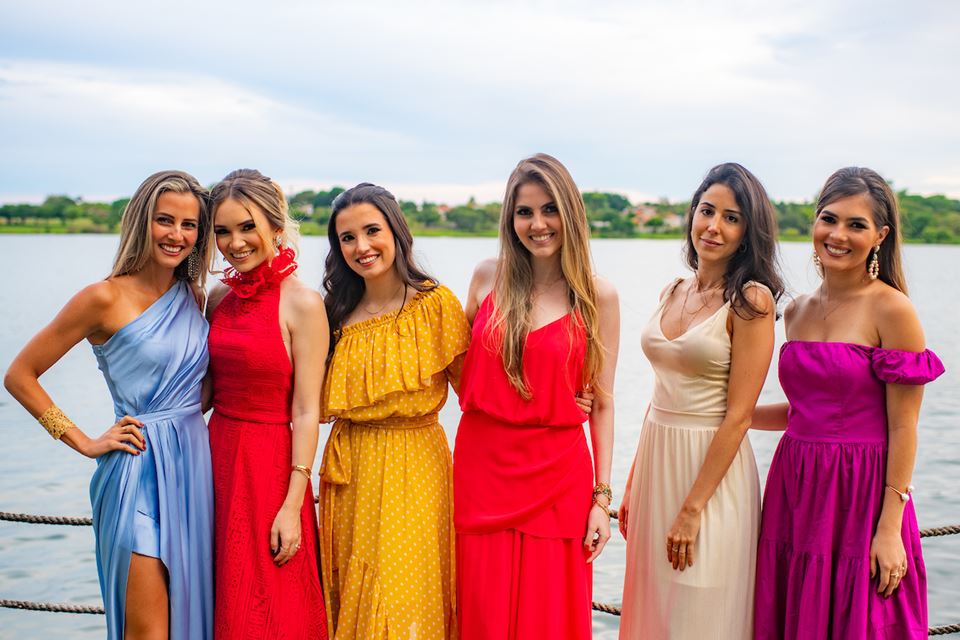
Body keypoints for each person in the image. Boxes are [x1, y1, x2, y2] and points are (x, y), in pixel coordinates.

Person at [4, 170, 215, 639]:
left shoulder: (194, 295)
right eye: (165, 220)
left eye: (189, 225)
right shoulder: (102, 297)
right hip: (136, 470)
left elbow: (198, 393)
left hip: (193, 472)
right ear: (143, 221)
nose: (177, 235)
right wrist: (82, 440)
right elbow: (20, 375)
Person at [752, 167, 944, 639]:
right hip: (796, 487)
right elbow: (803, 413)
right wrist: (718, 413)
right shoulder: (795, 311)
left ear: (879, 235)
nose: (837, 235)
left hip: (861, 494)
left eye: (855, 225)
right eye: (828, 219)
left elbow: (903, 426)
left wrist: (890, 527)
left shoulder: (891, 309)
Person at [453, 153, 619, 639]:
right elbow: (462, 368)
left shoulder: (597, 296)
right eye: (524, 212)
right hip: (482, 471)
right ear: (510, 219)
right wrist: (521, 398)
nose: (538, 224)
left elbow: (604, 402)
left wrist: (600, 500)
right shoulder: (487, 277)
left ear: (570, 214)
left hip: (558, 478)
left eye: (550, 209)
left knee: (550, 619)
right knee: (481, 615)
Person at [618, 163, 784, 639]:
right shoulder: (673, 290)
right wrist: (631, 482)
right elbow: (659, 394)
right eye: (707, 211)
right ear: (692, 215)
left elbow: (739, 416)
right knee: (654, 608)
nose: (714, 226)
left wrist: (692, 511)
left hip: (710, 479)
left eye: (731, 218)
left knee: (700, 615)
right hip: (655, 465)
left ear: (748, 232)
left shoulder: (751, 302)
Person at [319, 182, 470, 639]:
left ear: (396, 231)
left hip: (417, 466)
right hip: (350, 474)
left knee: (405, 602)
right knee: (353, 593)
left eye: (371, 230)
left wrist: (563, 401)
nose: (361, 247)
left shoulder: (435, 305)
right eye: (348, 237)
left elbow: (479, 395)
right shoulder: (333, 314)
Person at [206, 169, 328, 639]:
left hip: (271, 466)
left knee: (273, 600)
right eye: (223, 231)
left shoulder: (303, 303)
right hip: (216, 456)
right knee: (221, 592)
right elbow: (206, 391)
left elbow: (306, 410)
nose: (235, 243)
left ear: (276, 228)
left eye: (246, 227)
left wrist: (293, 503)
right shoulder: (219, 297)